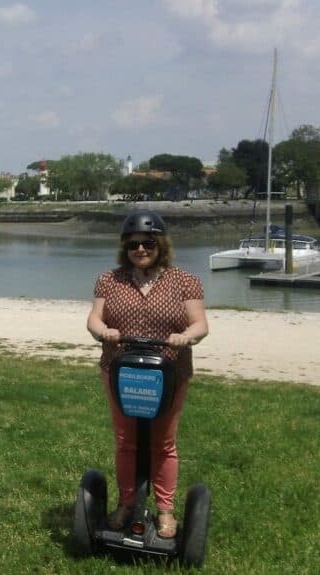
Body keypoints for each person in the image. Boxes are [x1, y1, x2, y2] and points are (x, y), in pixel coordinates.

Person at [86, 210, 209, 538]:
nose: (140, 249)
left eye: (148, 243)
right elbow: (94, 319)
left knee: (163, 442)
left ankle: (165, 509)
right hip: (120, 369)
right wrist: (104, 331)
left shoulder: (185, 281)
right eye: (133, 244)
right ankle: (127, 503)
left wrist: (187, 336)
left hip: (170, 370)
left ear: (161, 244)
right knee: (126, 440)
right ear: (125, 247)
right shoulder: (109, 280)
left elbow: (200, 324)